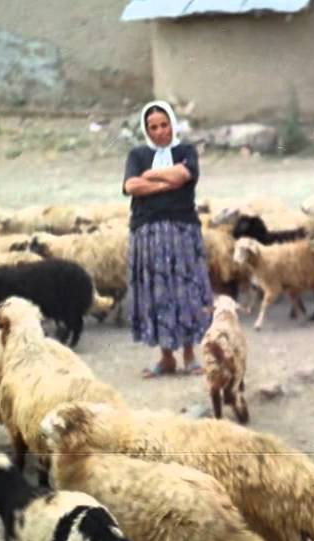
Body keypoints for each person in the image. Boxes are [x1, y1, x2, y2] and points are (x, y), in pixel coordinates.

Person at [122, 100, 213, 378]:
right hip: (147, 234)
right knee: (156, 294)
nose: (160, 132)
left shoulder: (186, 151)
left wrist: (150, 176)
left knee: (184, 291)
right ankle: (165, 357)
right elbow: (131, 185)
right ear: (146, 130)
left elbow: (185, 175)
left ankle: (189, 355)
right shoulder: (137, 155)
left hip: (181, 231)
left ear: (172, 124)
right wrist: (167, 181)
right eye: (153, 127)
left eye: (164, 125)